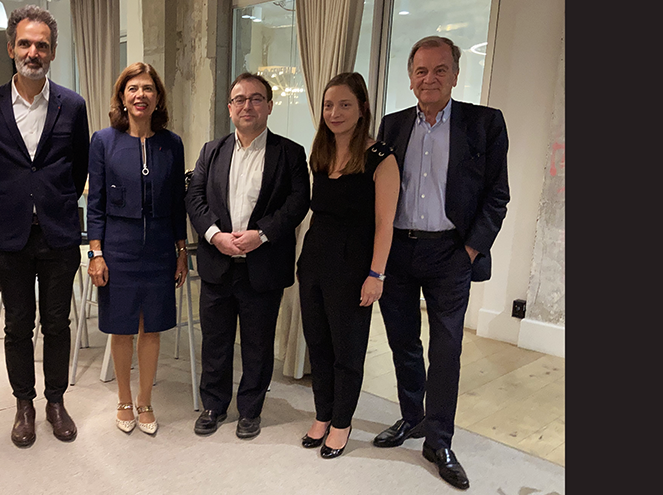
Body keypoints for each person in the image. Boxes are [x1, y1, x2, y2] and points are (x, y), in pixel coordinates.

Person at [372, 36, 510, 490]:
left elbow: (497, 195)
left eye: (439, 70)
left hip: (452, 251)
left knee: (446, 346)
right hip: (400, 250)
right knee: (403, 340)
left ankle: (439, 439)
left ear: (455, 74)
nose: (429, 78)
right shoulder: (391, 127)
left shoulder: (484, 123)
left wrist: (469, 251)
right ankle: (412, 417)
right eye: (420, 71)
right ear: (410, 78)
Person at [0, 5, 90, 447]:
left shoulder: (73, 105)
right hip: (10, 233)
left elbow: (79, 165)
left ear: (53, 51)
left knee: (57, 323)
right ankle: (24, 404)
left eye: (42, 44)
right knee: (19, 324)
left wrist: (53, 200)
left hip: (58, 232)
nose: (33, 51)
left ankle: (55, 401)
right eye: (25, 43)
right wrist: (14, 199)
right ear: (10, 48)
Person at [186, 72, 311, 439]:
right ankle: (213, 405)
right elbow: (194, 197)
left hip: (263, 266)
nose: (247, 105)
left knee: (258, 344)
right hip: (218, 263)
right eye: (239, 99)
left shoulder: (290, 152)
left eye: (256, 98)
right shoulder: (212, 150)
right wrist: (214, 235)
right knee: (216, 341)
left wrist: (263, 234)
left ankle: (250, 410)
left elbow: (298, 202)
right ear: (229, 108)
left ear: (269, 106)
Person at [297, 72, 399, 459]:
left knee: (347, 350)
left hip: (354, 266)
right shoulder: (320, 154)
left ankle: (342, 421)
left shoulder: (380, 157)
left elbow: (385, 223)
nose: (334, 113)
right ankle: (323, 414)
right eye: (328, 105)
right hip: (315, 261)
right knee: (318, 344)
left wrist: (376, 275)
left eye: (344, 105)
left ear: (362, 109)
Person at [85, 62, 188, 435]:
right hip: (118, 247)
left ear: (157, 97)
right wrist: (96, 253)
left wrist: (181, 250)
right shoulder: (103, 141)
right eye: (133, 89)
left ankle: (145, 400)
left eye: (147, 88)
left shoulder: (171, 143)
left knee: (153, 327)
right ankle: (124, 400)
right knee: (123, 327)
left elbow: (178, 202)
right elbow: (94, 202)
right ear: (122, 97)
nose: (140, 95)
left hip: (160, 247)